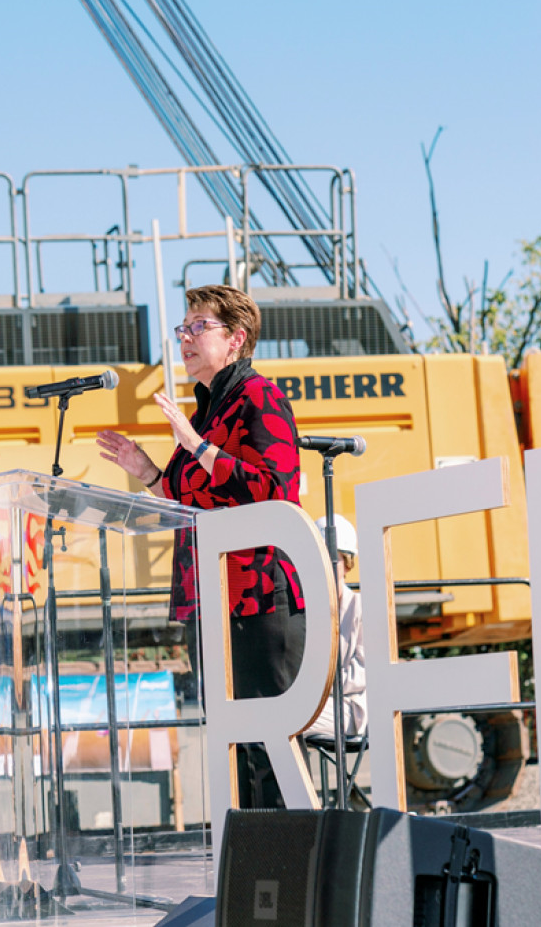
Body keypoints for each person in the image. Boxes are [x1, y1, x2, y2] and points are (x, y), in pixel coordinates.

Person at [97, 284, 304, 809]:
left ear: (236, 339)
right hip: (211, 601)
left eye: (198, 327)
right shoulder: (210, 409)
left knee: (268, 752)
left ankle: (287, 875)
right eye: (182, 328)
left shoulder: (259, 396)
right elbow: (194, 496)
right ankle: (249, 878)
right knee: (234, 748)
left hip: (258, 598)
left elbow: (273, 489)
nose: (185, 338)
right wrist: (146, 469)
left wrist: (198, 446)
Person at [304, 514, 366, 738]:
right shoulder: (309, 611)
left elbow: (363, 673)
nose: (325, 565)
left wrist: (316, 686)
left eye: (333, 559)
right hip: (315, 703)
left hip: (350, 707)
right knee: (282, 719)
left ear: (347, 564)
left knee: (290, 721)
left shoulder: (360, 607)